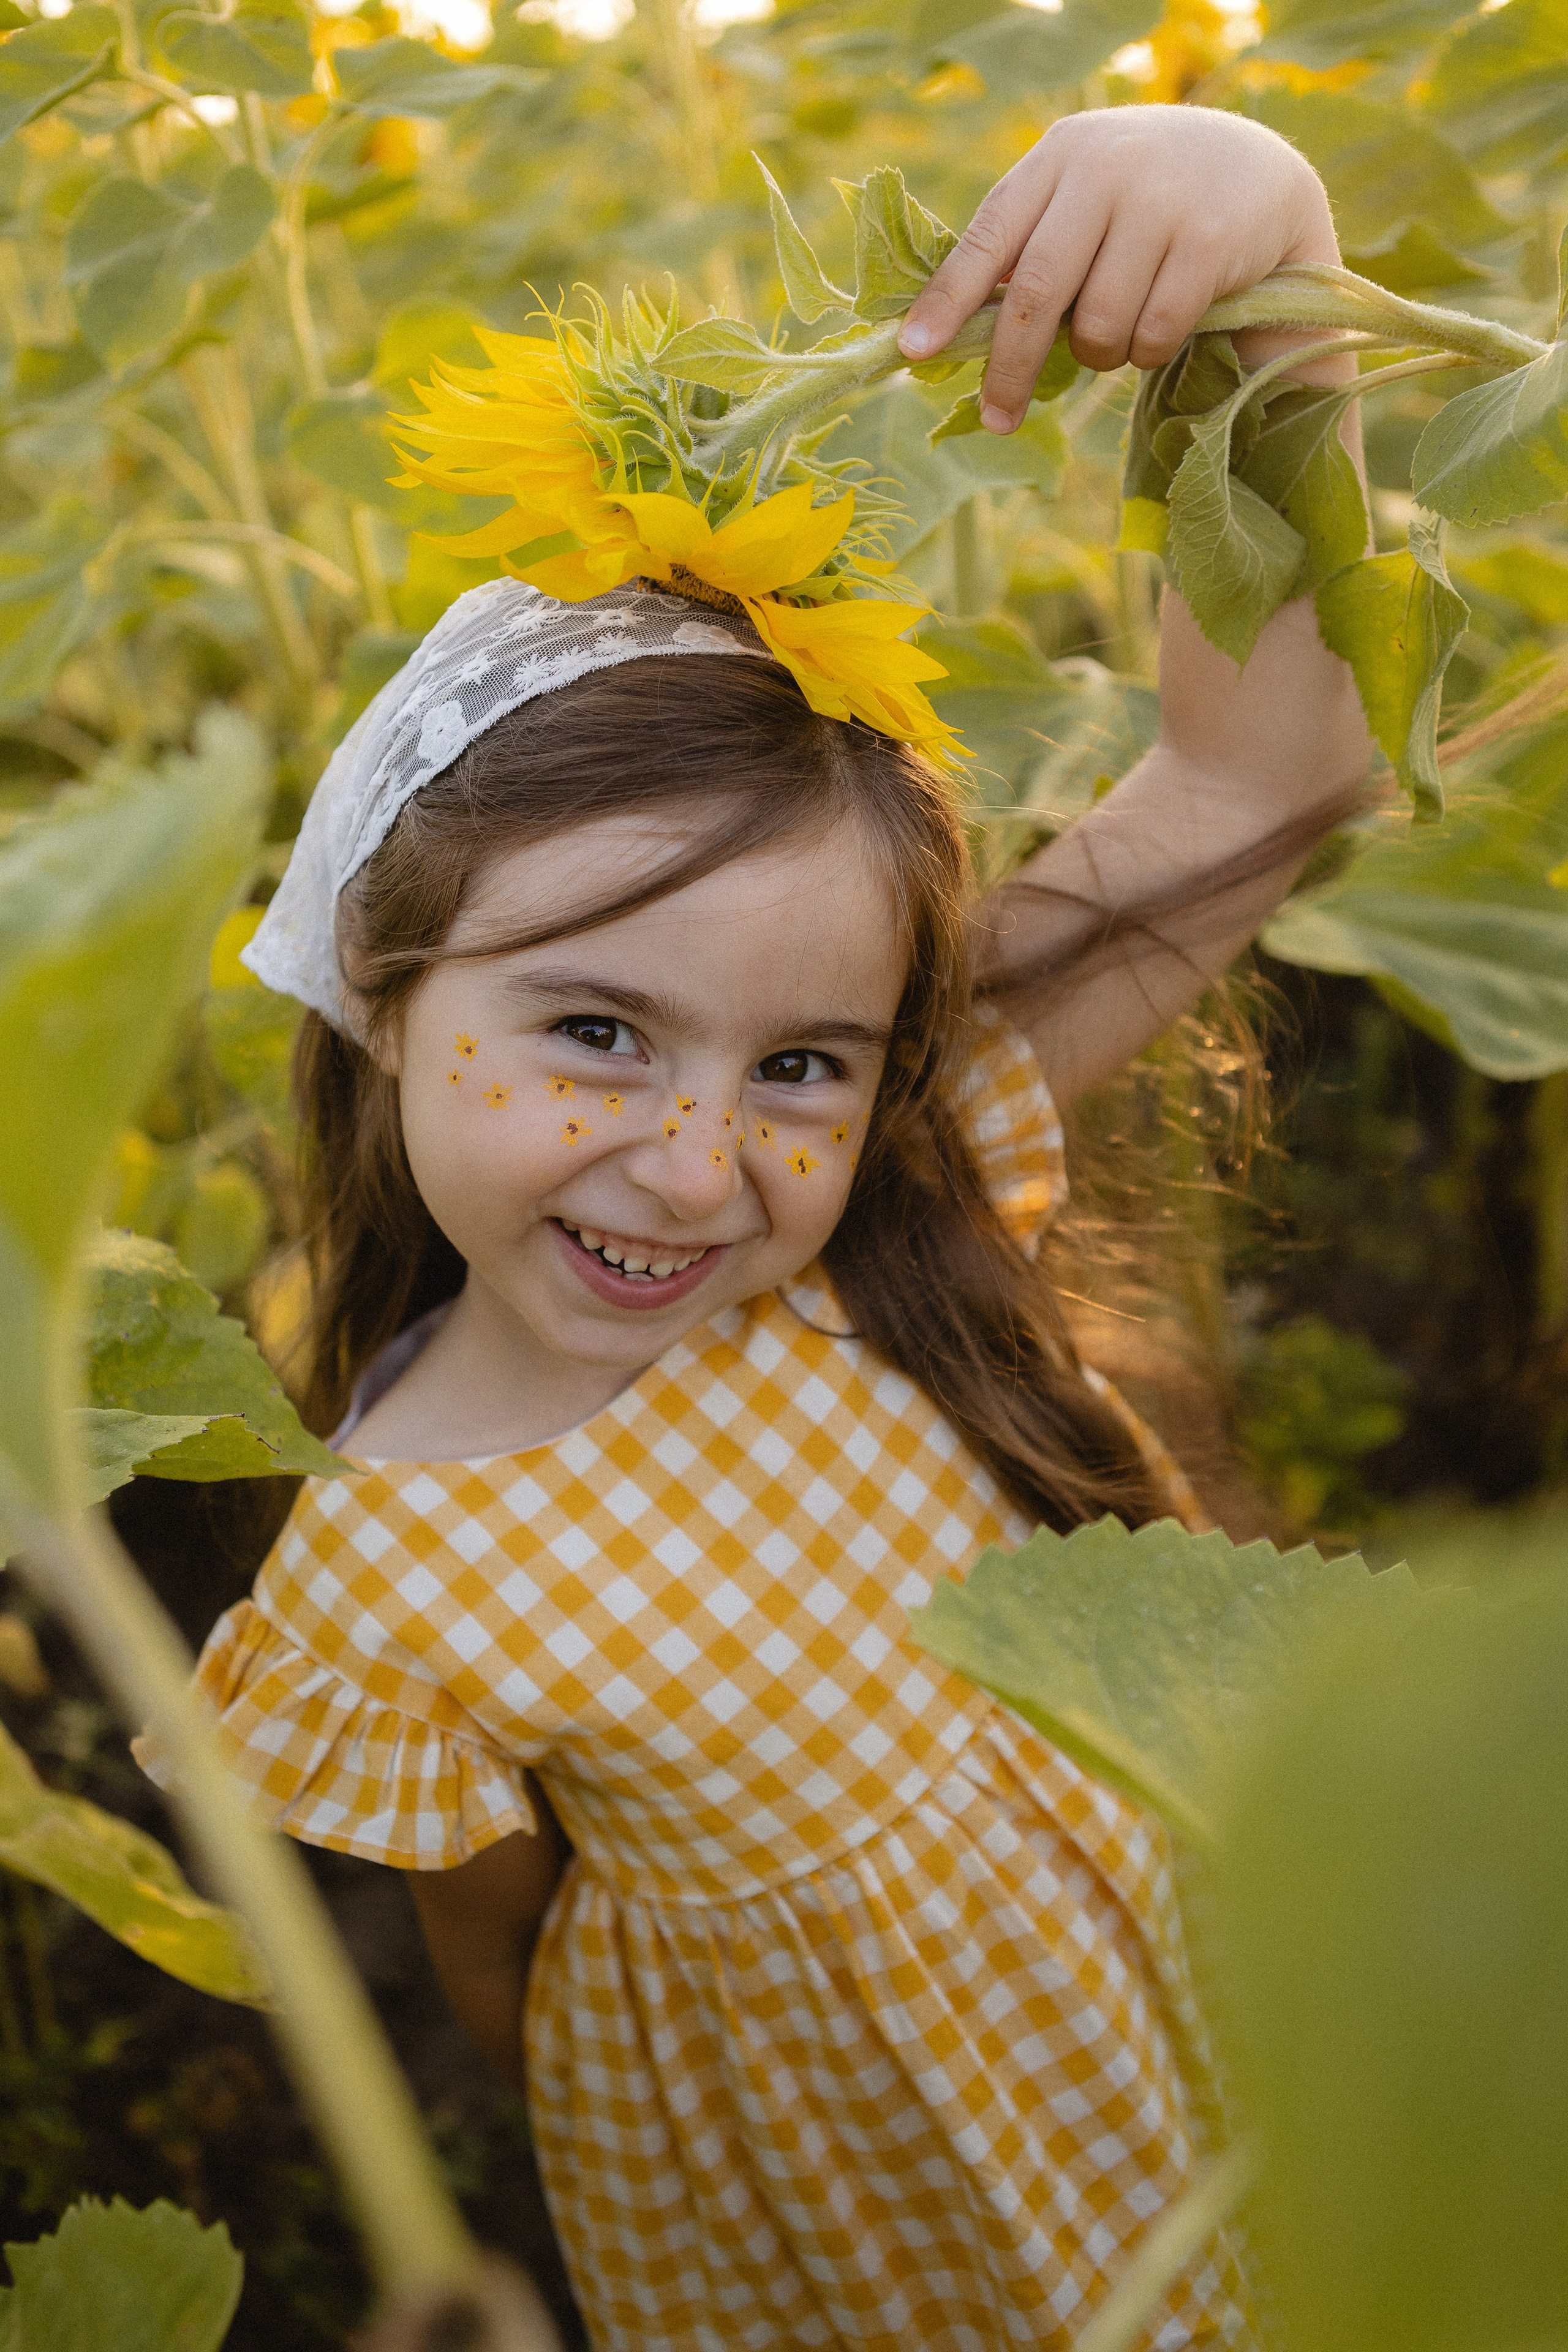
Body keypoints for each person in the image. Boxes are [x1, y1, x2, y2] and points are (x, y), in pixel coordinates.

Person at [153, 106, 1369, 2352]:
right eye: (599, 1028)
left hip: (1185, 1961)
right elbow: (499, 1959)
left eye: (802, 1058)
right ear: (382, 988)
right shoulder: (380, 1561)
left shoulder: (893, 1188)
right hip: (834, 2173)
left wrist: (1266, 261)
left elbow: (1257, 779)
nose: (705, 1171)